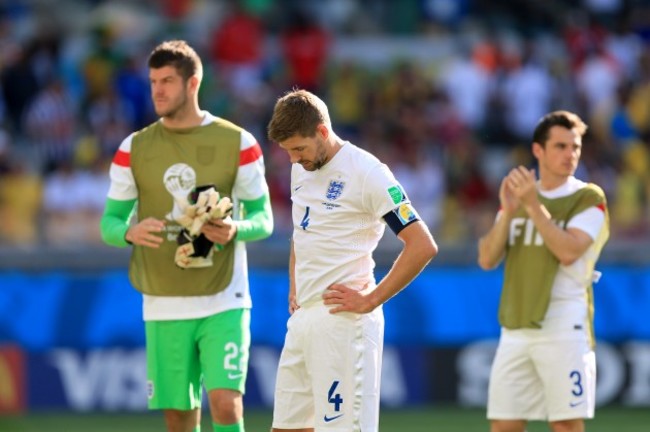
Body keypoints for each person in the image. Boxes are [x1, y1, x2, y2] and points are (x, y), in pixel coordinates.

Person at [100, 40, 273, 432]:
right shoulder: (133, 148)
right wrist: (129, 232)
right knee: (179, 418)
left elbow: (265, 218)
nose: (157, 90)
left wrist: (235, 228)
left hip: (224, 297)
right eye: (153, 82)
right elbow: (108, 223)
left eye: (167, 81)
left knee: (226, 405)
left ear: (192, 83)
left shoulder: (239, 142)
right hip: (163, 302)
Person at [266, 89, 438, 432]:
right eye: (287, 152)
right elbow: (303, 229)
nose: (293, 159)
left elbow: (422, 245)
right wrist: (295, 285)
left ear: (322, 131)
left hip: (345, 324)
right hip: (304, 320)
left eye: (298, 148)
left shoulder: (368, 172)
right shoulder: (302, 167)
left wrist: (371, 300)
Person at [477, 110, 609, 432]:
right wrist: (508, 213)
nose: (570, 154)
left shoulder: (587, 197)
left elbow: (567, 251)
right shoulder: (519, 197)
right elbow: (486, 258)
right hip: (516, 325)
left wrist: (533, 205)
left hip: (564, 323)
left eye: (575, 147)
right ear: (538, 150)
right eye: (561, 146)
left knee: (565, 424)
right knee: (504, 425)